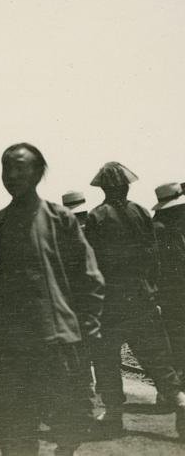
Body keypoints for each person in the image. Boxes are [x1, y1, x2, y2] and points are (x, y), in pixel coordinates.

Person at [0, 143, 104, 455]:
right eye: (7, 168)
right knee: (16, 432)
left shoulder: (61, 219)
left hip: (58, 341)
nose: (13, 174)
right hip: (12, 348)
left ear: (39, 172)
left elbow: (89, 276)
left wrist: (88, 324)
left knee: (69, 423)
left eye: (22, 167)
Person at [85, 163, 185, 437]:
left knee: (106, 358)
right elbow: (153, 256)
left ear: (103, 188)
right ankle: (180, 401)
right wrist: (151, 289)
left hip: (110, 303)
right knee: (157, 357)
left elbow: (90, 265)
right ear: (127, 186)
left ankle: (114, 415)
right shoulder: (142, 212)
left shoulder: (97, 217)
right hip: (142, 298)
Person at [153, 183, 185, 386]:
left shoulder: (167, 228)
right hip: (173, 294)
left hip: (173, 294)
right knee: (175, 340)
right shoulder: (163, 231)